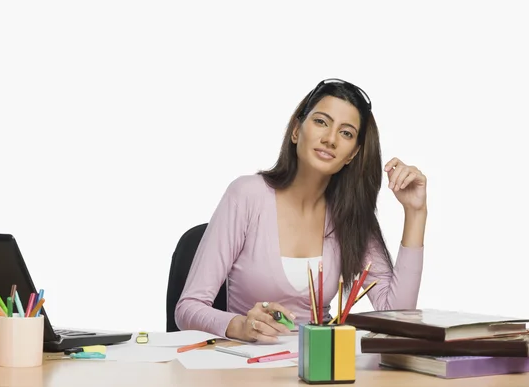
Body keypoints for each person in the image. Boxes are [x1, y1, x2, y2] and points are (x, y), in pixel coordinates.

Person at [175, 78, 427, 343]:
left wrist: (415, 212)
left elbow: (397, 316)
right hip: (247, 368)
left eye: (346, 133)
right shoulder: (247, 195)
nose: (330, 139)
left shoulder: (351, 217)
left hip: (318, 370)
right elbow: (188, 307)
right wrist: (240, 326)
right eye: (321, 122)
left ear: (352, 154)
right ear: (296, 130)